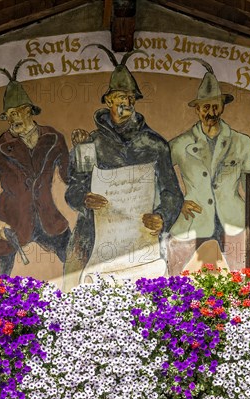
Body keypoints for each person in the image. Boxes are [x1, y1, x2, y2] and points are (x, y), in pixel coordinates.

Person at [63, 47, 183, 289]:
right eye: (121, 98)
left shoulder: (155, 144)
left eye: (131, 98)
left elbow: (172, 192)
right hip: (94, 237)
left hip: (142, 242)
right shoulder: (91, 143)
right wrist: (85, 199)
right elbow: (73, 190)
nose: (127, 103)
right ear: (108, 101)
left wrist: (162, 217)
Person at [167, 60, 250, 276]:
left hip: (232, 220)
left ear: (222, 106)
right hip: (193, 220)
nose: (211, 112)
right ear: (197, 110)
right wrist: (176, 203)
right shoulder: (180, 144)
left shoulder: (241, 142)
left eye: (215, 106)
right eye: (205, 107)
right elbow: (160, 178)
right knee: (179, 279)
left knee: (241, 278)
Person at [0, 59, 71, 276]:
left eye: (16, 112)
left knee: (76, 256)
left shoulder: (53, 139)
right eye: (8, 115)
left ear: (28, 111)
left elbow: (68, 175)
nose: (12, 119)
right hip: (9, 217)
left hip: (47, 216)